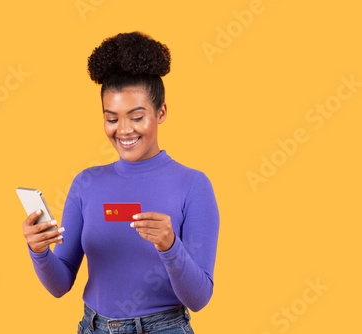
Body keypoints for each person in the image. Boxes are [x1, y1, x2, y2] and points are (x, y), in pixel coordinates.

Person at [22, 31, 219, 334]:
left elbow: (199, 298)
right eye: (112, 119)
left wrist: (170, 247)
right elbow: (60, 285)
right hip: (94, 327)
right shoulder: (86, 183)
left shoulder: (193, 185)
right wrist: (39, 252)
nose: (124, 130)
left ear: (161, 112)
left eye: (137, 117)